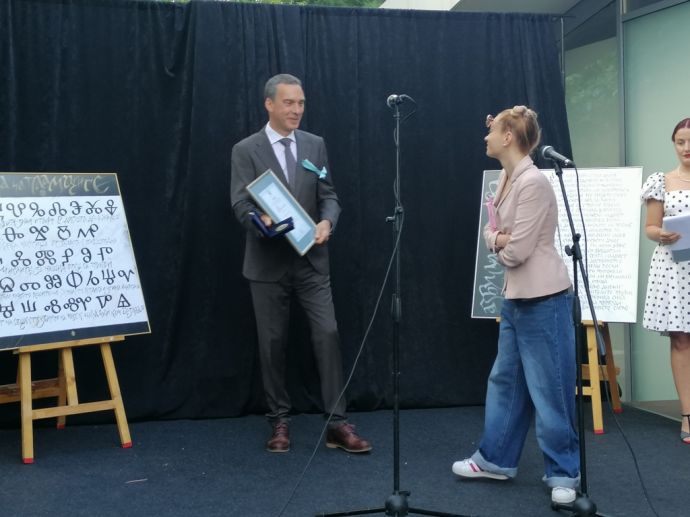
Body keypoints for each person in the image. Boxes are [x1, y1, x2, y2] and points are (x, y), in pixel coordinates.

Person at [230, 73, 371, 454]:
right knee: (272, 344)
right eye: (289, 103)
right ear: (269, 104)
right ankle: (279, 420)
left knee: (328, 334)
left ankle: (337, 423)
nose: (297, 110)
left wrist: (327, 222)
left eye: (301, 103)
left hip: (311, 260)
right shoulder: (246, 149)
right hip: (267, 263)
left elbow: (329, 195)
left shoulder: (315, 145)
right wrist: (262, 221)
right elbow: (240, 203)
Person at [451, 106, 580, 506]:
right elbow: (496, 234)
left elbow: (516, 251)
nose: (485, 136)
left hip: (544, 299)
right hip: (516, 298)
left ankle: (564, 473)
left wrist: (497, 240)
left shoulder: (533, 182)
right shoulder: (507, 178)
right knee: (506, 382)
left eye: (493, 131)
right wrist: (499, 238)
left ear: (508, 137)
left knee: (550, 390)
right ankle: (495, 459)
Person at [640, 117, 690, 444]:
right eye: (680, 142)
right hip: (675, 266)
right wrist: (662, 233)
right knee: (682, 339)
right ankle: (688, 414)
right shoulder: (661, 181)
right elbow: (650, 227)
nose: (686, 148)